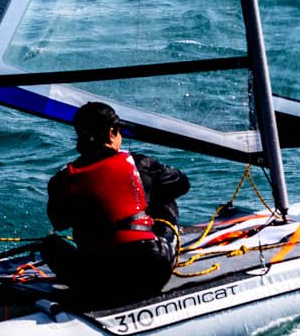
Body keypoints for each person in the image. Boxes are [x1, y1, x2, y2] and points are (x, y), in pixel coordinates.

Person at [39, 101, 191, 310]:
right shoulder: (141, 164)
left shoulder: (61, 180)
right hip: (152, 272)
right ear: (112, 132)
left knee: (49, 244)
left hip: (97, 281)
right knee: (164, 197)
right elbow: (182, 183)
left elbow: (59, 221)